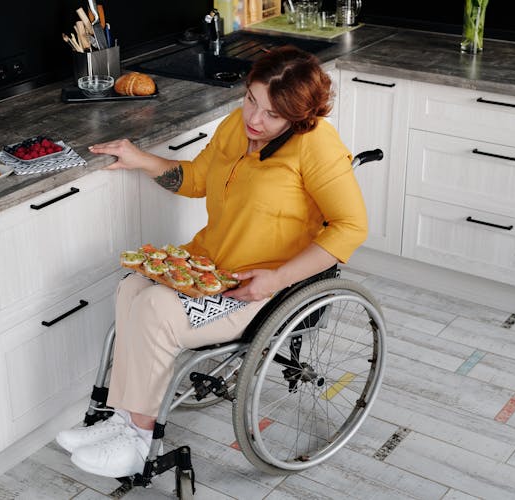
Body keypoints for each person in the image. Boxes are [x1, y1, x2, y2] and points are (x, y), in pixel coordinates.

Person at [56, 45, 368, 478]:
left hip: (263, 287)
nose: (254, 119)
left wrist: (275, 277)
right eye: (251, 100)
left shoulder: (316, 147)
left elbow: (351, 226)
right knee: (131, 287)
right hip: (210, 268)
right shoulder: (235, 129)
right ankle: (122, 419)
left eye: (272, 115)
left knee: (155, 310)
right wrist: (139, 157)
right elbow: (198, 179)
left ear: (299, 117)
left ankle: (137, 438)